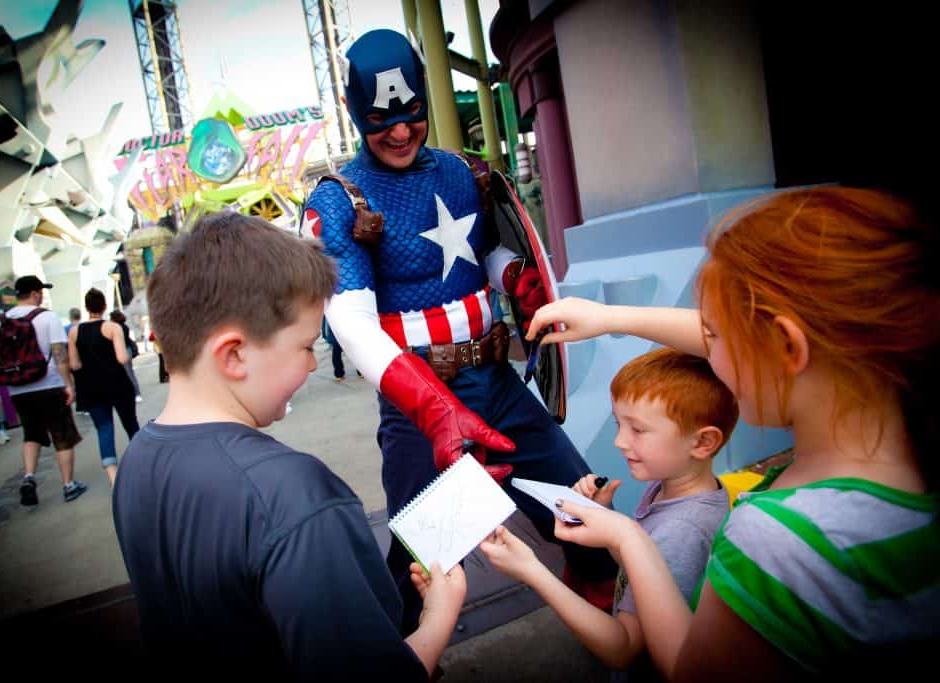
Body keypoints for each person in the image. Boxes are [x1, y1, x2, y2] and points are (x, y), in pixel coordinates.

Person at [524, 187, 940, 679]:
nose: (708, 351)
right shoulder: (907, 458)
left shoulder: (778, 540)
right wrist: (612, 318)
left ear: (786, 346)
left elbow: (686, 668)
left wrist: (630, 539)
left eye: (716, 336)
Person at [302, 27, 615, 632]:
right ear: (352, 110)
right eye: (379, 118)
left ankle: (615, 632)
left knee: (580, 509)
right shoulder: (339, 200)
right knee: (424, 560)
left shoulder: (463, 172)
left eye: (412, 113)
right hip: (419, 403)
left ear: (423, 96)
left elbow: (486, 249)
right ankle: (407, 662)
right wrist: (431, 410)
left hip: (498, 384)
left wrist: (515, 276)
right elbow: (351, 322)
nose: (398, 131)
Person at [112, 212, 466, 675]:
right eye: (304, 346)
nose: (312, 365)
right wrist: (438, 616)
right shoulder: (294, 495)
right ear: (234, 354)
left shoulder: (136, 461)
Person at [480, 347, 738, 681]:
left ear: (702, 443)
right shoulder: (677, 490)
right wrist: (600, 515)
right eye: (619, 424)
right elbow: (641, 569)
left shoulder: (682, 532)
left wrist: (532, 570)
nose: (619, 441)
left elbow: (624, 647)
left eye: (638, 430)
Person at [0, 275, 87, 505]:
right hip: (49, 385)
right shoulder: (47, 317)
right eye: (41, 292)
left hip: (19, 389)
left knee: (31, 434)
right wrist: (68, 384)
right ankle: (68, 485)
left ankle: (28, 477)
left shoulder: (1, 322)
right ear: (35, 293)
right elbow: (59, 354)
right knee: (62, 436)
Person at [68, 289, 139, 486]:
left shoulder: (74, 332)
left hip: (90, 388)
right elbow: (122, 358)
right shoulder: (112, 328)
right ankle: (143, 463)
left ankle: (113, 476)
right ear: (104, 306)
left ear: (86, 307)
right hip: (117, 384)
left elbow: (74, 364)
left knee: (104, 428)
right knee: (130, 423)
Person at [109, 309, 143, 402]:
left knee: (128, 373)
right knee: (129, 372)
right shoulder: (125, 327)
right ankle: (136, 393)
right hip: (128, 350)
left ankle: (136, 393)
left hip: (123, 350)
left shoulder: (116, 328)